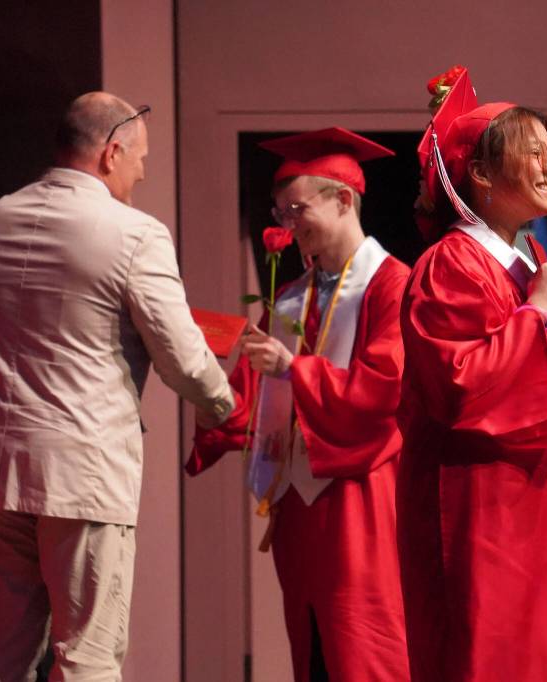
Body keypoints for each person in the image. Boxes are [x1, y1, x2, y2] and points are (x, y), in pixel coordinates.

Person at [0, 91, 234, 681]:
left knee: (0, 652)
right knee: (88, 657)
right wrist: (223, 406)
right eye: (139, 159)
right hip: (80, 470)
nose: (143, 172)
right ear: (111, 153)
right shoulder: (134, 233)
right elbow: (184, 359)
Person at [396, 67, 547, 681]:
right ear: (483, 173)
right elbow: (459, 390)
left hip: (542, 511)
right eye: (535, 154)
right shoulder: (452, 265)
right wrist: (533, 315)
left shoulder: (528, 263)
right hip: (488, 519)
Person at [187, 128, 412, 681]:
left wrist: (294, 370)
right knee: (312, 652)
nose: (287, 224)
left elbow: (385, 385)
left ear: (342, 199)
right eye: (279, 211)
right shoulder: (288, 298)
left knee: (366, 647)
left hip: (361, 495)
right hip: (299, 507)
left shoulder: (391, 285)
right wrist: (209, 398)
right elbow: (250, 400)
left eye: (297, 209)